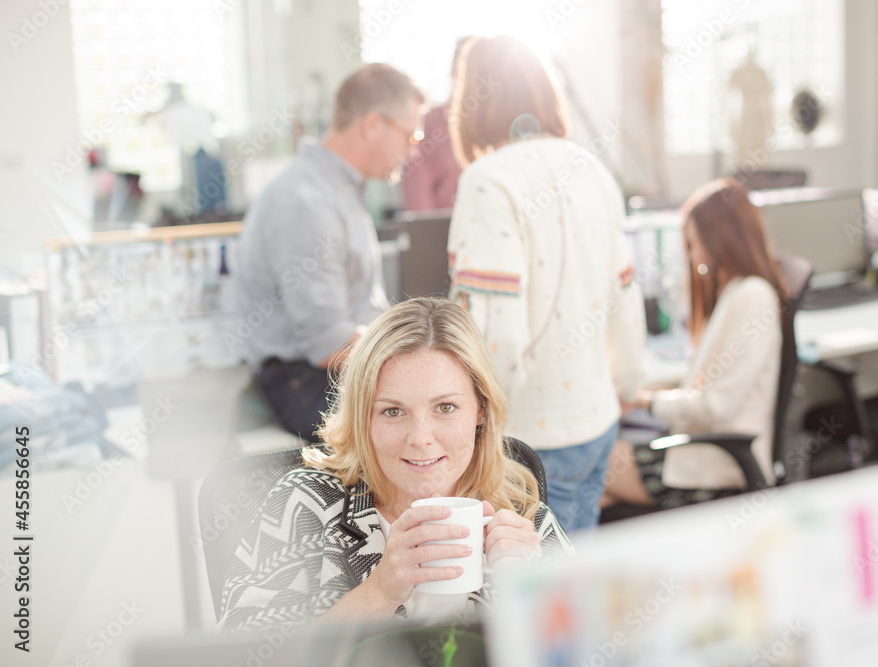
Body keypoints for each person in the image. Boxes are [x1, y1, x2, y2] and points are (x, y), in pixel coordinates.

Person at [218, 298, 573, 631]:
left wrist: (531, 592)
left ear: (480, 409)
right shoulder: (305, 507)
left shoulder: (525, 518)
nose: (420, 438)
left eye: (445, 407)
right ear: (363, 418)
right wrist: (380, 592)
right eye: (392, 411)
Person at [446, 36, 646, 532]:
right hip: (597, 422)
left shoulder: (487, 180)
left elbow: (496, 331)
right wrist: (627, 385)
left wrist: (475, 428)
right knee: (573, 569)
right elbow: (624, 298)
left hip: (530, 438)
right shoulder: (592, 168)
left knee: (534, 578)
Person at [233, 64, 424, 441]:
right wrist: (413, 357)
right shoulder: (307, 201)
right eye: (411, 135)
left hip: (334, 372)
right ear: (372, 125)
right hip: (306, 381)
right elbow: (328, 343)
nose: (414, 150)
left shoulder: (338, 190)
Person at [602, 179, 789, 510]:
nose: (692, 256)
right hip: (697, 451)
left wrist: (645, 401)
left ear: (720, 239)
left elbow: (715, 406)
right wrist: (644, 396)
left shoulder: (752, 297)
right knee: (595, 494)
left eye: (694, 244)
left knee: (588, 469)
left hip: (716, 466)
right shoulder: (734, 293)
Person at [400, 38, 469, 211]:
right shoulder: (428, 123)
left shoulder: (498, 129)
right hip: (443, 226)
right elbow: (417, 193)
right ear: (454, 73)